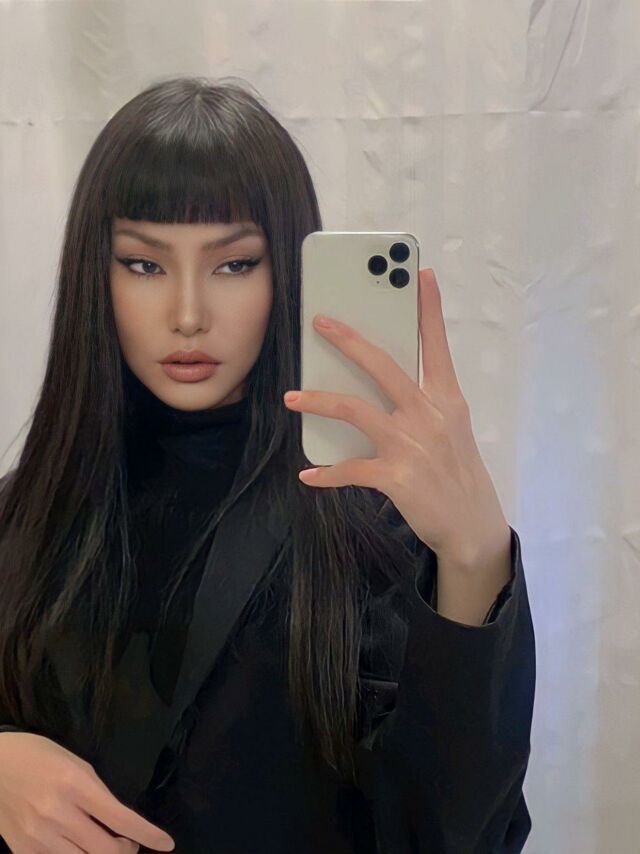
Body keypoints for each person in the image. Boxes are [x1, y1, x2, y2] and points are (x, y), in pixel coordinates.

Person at [0, 75, 536, 853]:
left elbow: (453, 837)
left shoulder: (367, 527)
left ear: (287, 271)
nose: (188, 313)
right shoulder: (23, 519)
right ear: (95, 274)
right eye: (145, 265)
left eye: (234, 265)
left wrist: (475, 557)